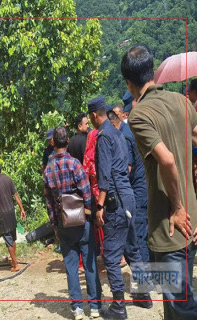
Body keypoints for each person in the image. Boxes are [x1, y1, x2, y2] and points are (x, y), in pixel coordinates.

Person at [123, 44, 197, 320]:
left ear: (129, 83)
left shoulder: (139, 115)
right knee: (175, 306)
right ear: (153, 72)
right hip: (190, 227)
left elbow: (166, 160)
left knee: (181, 306)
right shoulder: (181, 101)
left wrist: (177, 207)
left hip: (169, 228)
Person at [88, 96, 152, 319]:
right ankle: (144, 296)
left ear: (94, 116)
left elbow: (104, 176)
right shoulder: (120, 133)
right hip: (130, 197)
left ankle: (118, 306)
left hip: (116, 200)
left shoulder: (104, 137)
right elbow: (127, 167)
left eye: (91, 117)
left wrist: (100, 206)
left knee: (111, 257)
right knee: (132, 249)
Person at [43, 126, 102, 320]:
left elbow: (49, 202)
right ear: (67, 142)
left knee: (70, 265)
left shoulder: (48, 170)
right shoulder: (75, 164)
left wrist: (55, 226)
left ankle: (77, 308)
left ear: (53, 143)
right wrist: (91, 215)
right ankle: (94, 306)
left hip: (63, 223)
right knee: (90, 263)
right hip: (81, 221)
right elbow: (86, 192)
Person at [107, 109, 151, 263]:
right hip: (145, 187)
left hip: (137, 190)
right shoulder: (129, 131)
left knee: (137, 238)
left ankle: (146, 280)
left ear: (113, 125)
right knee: (144, 232)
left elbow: (128, 168)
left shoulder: (124, 137)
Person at [0, 163, 26, 272]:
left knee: (8, 240)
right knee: (12, 238)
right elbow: (16, 195)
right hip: (11, 213)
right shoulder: (8, 179)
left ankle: (15, 265)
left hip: (3, 215)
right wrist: (22, 209)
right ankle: (14, 261)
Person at [83, 126, 104, 258]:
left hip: (95, 193)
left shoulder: (88, 157)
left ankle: (103, 251)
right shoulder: (103, 152)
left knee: (100, 223)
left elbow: (85, 174)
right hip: (107, 191)